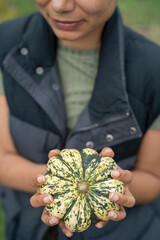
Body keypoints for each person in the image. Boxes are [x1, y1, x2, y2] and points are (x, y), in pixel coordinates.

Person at [0, 0, 160, 240]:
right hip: (27, 228)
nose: (59, 6)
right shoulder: (7, 43)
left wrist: (114, 185)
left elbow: (153, 178)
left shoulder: (153, 70)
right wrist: (57, 183)